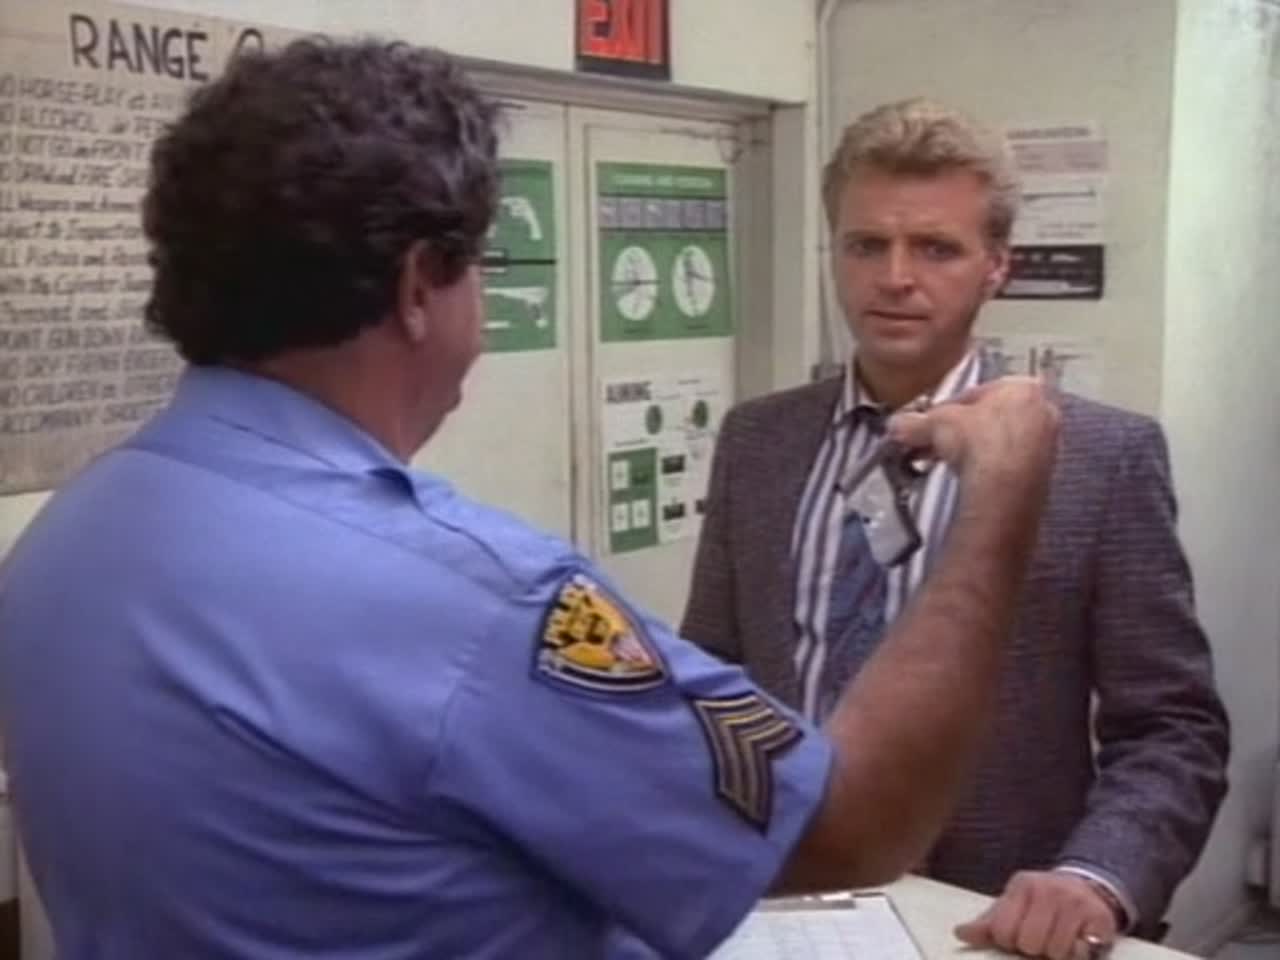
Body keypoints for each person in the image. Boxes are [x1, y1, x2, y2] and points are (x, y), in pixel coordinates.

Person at [0, 45, 1058, 958]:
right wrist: (1000, 495)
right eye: (481, 268)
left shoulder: (67, 542)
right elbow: (847, 826)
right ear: (420, 286)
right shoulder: (480, 604)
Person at [681, 97, 1230, 959]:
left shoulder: (1100, 457)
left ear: (996, 266)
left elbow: (1172, 727)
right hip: (779, 896)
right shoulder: (759, 441)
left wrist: (1094, 876)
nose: (895, 277)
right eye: (867, 245)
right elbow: (710, 676)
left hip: (993, 918)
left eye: (936, 248)